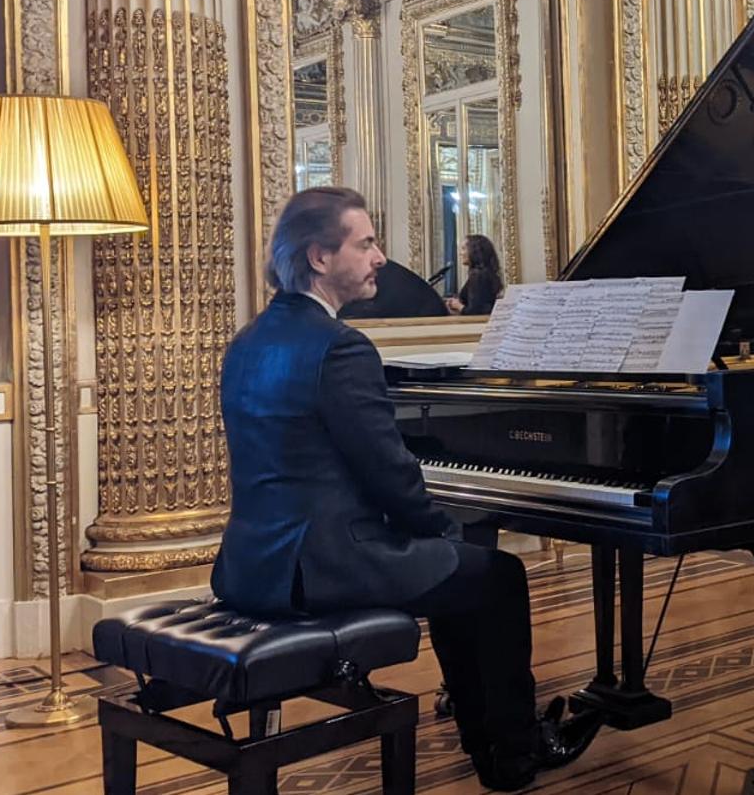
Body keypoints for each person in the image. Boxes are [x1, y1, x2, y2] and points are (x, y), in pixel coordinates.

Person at [211, 186, 594, 791]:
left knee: (458, 573)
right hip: (327, 566)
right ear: (319, 257)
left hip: (253, 566)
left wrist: (435, 539)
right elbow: (389, 472)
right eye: (365, 244)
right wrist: (438, 527)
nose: (380, 257)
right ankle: (512, 754)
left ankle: (493, 743)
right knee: (495, 575)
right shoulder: (341, 348)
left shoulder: (247, 343)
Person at [447, 234, 506, 315]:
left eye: (464, 249)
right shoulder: (487, 273)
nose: (460, 253)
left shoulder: (478, 276)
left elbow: (475, 311)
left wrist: (458, 306)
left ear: (474, 251)